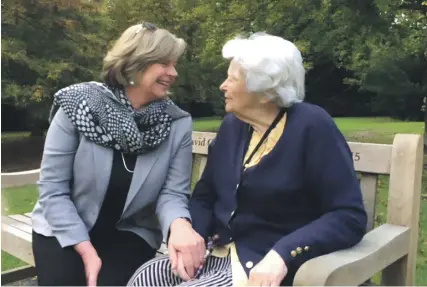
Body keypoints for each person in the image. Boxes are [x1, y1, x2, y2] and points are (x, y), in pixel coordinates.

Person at [127, 32, 368, 286]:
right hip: (218, 252)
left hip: (268, 267)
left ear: (265, 91)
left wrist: (283, 254)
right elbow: (205, 196)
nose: (223, 85)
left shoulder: (313, 127)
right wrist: (193, 237)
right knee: (146, 278)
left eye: (233, 78)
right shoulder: (233, 126)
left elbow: (348, 216)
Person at [31, 22, 205, 286]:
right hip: (64, 227)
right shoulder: (78, 104)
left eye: (174, 64)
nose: (174, 72)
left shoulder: (177, 122)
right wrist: (86, 250)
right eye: (165, 64)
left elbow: (172, 193)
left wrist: (180, 224)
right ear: (135, 63)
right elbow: (53, 189)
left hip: (130, 234)